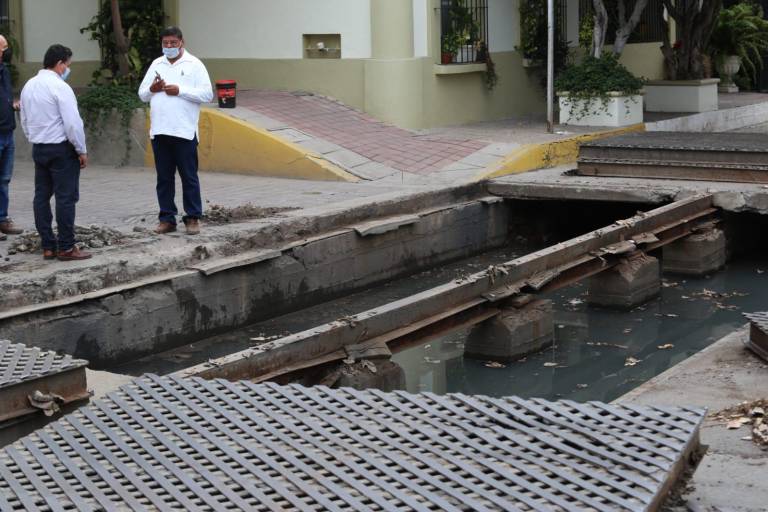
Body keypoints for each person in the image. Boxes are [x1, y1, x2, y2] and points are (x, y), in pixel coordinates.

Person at [138, 26, 213, 235]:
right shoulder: (156, 63)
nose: (169, 47)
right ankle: (167, 218)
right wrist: (152, 89)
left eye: (173, 43)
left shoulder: (194, 64)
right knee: (164, 178)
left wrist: (180, 91)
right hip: (160, 130)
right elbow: (142, 94)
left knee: (189, 177)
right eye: (165, 43)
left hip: (184, 131)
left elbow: (207, 94)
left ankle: (192, 218)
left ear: (182, 42)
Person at [20, 44, 90, 261]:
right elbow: (72, 124)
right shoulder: (60, 87)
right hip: (61, 150)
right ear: (60, 63)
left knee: (41, 197)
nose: (68, 69)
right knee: (65, 198)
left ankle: (48, 246)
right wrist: (81, 149)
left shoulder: (29, 86)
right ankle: (67, 247)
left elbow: (24, 119)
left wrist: (35, 138)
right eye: (67, 65)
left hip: (39, 148)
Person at [0, 34, 22, 240]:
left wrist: (12, 104)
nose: (6, 51)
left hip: (7, 131)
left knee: (4, 179)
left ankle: (2, 219)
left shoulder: (4, 71)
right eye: (3, 47)